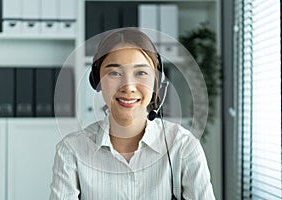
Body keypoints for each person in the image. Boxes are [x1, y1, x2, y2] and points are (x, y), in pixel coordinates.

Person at [50, 27, 215, 200]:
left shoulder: (183, 146)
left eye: (141, 73)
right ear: (97, 81)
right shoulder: (71, 150)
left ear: (156, 81)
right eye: (114, 73)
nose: (128, 86)